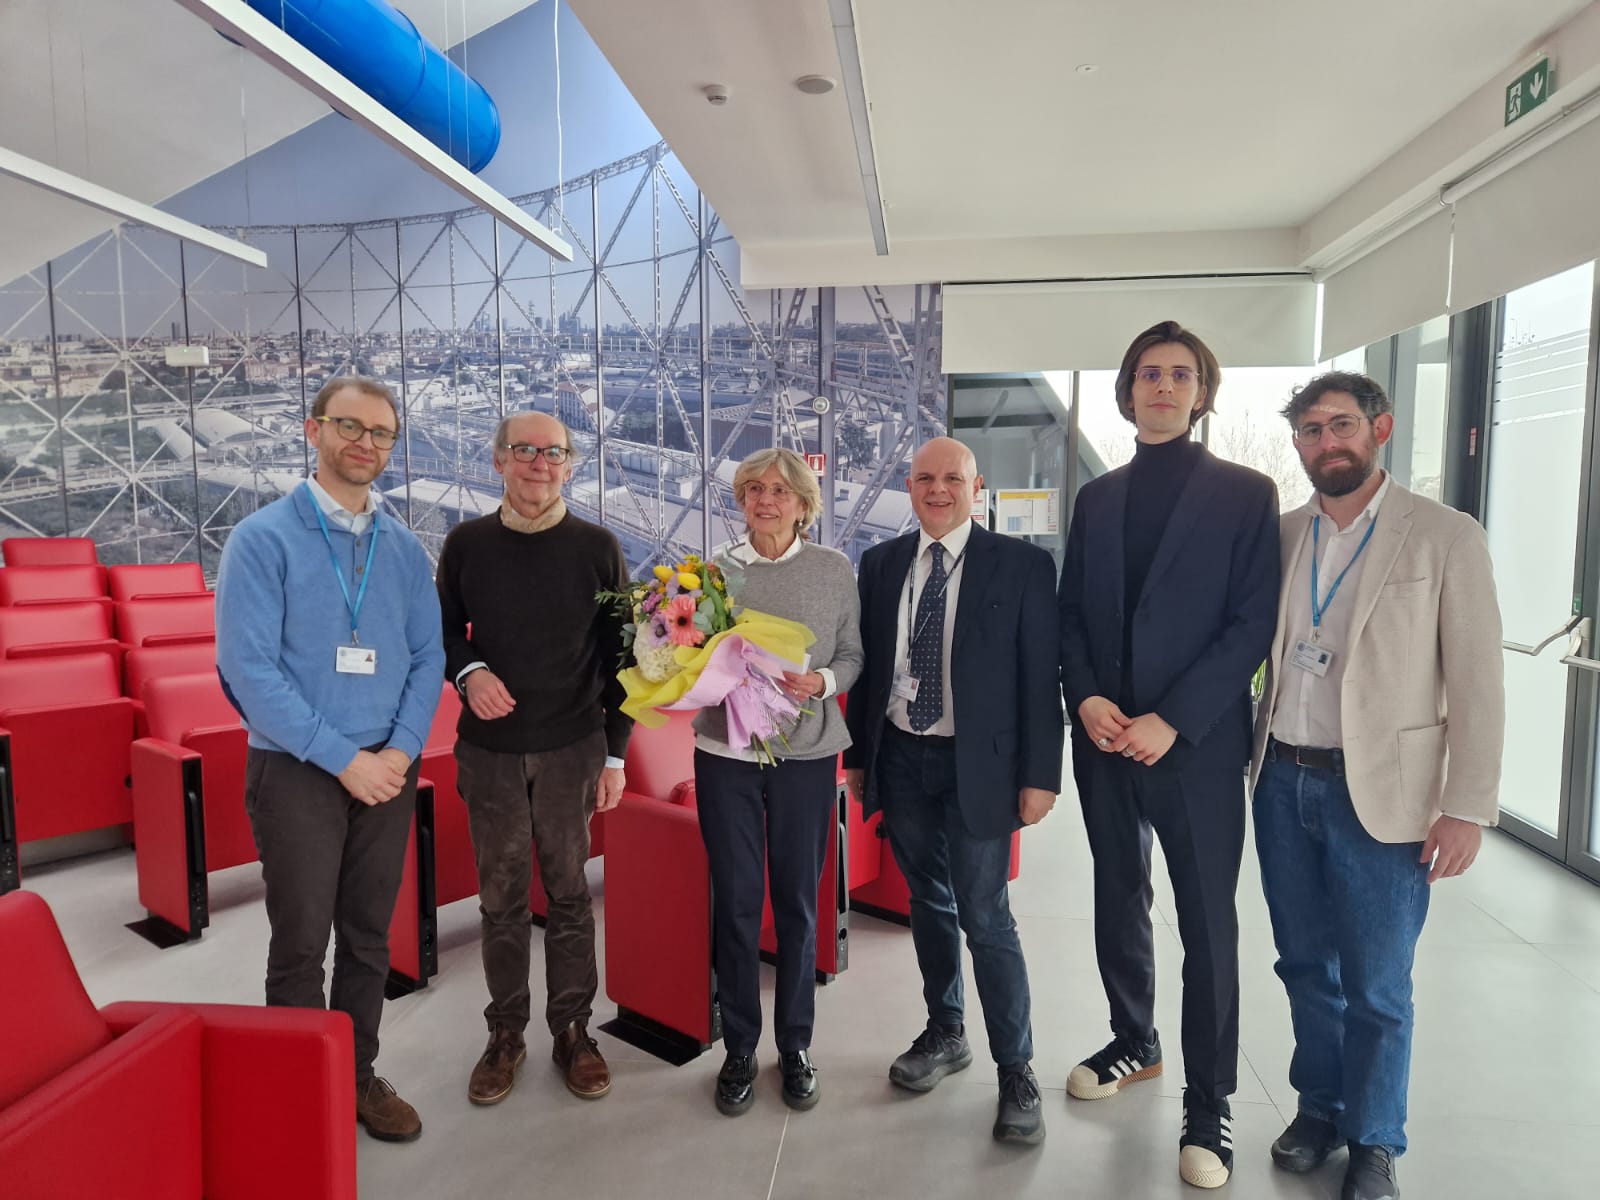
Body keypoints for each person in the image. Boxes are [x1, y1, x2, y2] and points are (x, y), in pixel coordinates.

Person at [1250, 372, 1503, 1200]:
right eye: (1311, 430)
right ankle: (1320, 1110)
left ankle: (1375, 1139)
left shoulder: (1444, 536)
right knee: (1302, 965)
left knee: (1379, 986)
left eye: (1342, 425)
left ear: (1380, 428)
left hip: (1385, 799)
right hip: (1281, 780)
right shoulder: (1282, 535)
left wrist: (1465, 807)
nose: (1327, 442)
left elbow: (1477, 682)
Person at [1057, 320, 1279, 1189]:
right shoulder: (1098, 498)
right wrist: (1087, 697)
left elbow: (1251, 623)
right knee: (1118, 894)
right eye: (1148, 373)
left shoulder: (1246, 493)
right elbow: (1073, 613)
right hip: (1105, 738)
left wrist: (1174, 720)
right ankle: (1134, 1038)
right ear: (1128, 390)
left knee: (1207, 922)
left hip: (1196, 747)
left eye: (1180, 374)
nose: (1163, 386)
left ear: (1201, 391)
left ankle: (1210, 1102)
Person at [216, 375, 444, 1143]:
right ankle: (297, 1091)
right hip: (298, 771)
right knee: (301, 942)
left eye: (380, 433)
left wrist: (401, 751)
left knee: (370, 937)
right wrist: (345, 759)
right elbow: (248, 671)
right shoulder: (262, 539)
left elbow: (428, 657)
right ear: (313, 431)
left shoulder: (403, 548)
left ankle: (355, 1075)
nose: (365, 443)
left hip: (388, 770)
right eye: (350, 426)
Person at [843, 436, 1062, 1147]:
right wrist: (859, 760)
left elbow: (1042, 680)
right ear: (909, 487)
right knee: (927, 904)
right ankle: (946, 1030)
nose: (937, 489)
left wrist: (1040, 776)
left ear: (976, 487)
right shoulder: (882, 564)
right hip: (902, 756)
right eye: (924, 478)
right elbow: (870, 669)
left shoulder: (1022, 566)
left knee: (986, 917)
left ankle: (1016, 1069)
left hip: (982, 768)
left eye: (952, 479)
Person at [435, 411, 632, 1106]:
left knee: (570, 895)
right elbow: (443, 632)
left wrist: (616, 756)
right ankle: (506, 1034)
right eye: (524, 450)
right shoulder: (466, 543)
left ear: (570, 466)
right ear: (498, 461)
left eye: (553, 453)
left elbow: (625, 657)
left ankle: (574, 1030)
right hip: (489, 755)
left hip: (573, 750)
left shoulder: (598, 547)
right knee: (501, 899)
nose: (539, 463)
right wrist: (469, 672)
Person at [694, 448, 863, 1117]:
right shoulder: (713, 571)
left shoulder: (833, 569)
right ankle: (739, 1046)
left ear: (803, 504)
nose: (766, 501)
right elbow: (687, 654)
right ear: (741, 500)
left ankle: (795, 1044)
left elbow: (852, 655)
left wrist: (822, 681)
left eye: (780, 491)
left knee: (796, 902)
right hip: (725, 753)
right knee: (736, 903)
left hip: (807, 753)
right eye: (753, 490)